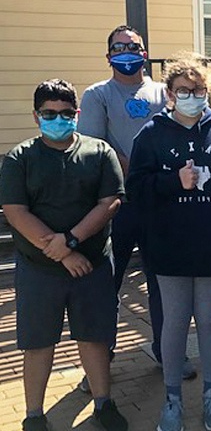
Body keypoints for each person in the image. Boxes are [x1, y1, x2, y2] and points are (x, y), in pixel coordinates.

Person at [126, 51, 211, 431]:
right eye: (183, 90)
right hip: (168, 247)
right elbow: (136, 190)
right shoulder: (150, 134)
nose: (191, 96)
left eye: (198, 89)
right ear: (169, 93)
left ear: (207, 91)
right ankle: (172, 400)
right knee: (174, 323)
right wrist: (173, 182)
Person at [0, 79, 128, 431]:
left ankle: (103, 403)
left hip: (93, 265)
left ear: (77, 113)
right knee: (38, 342)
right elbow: (15, 211)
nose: (58, 118)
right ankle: (33, 414)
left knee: (95, 337)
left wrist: (71, 241)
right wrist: (62, 254)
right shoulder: (18, 158)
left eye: (66, 113)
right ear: (36, 115)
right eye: (49, 113)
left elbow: (111, 202)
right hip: (39, 269)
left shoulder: (99, 152)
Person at [78, 25, 195, 384]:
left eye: (134, 46)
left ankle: (167, 351)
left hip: (161, 204)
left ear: (145, 53)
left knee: (163, 282)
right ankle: (101, 359)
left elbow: (179, 135)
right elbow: (97, 147)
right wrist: (142, 170)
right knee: (105, 283)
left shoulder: (164, 93)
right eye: (119, 47)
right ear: (109, 54)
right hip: (117, 204)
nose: (127, 52)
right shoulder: (98, 95)